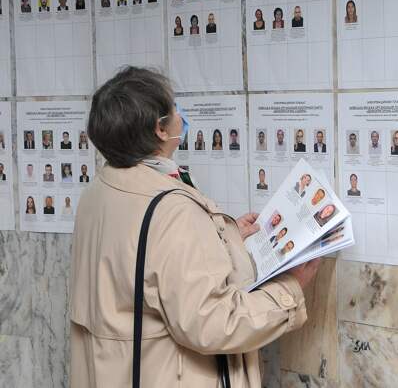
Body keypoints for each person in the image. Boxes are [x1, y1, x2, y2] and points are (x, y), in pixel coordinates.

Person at [71, 67, 316, 387]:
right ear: (160, 129)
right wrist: (289, 290)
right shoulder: (172, 210)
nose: (180, 116)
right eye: (174, 108)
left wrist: (224, 237)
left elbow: (141, 260)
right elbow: (214, 323)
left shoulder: (100, 190)